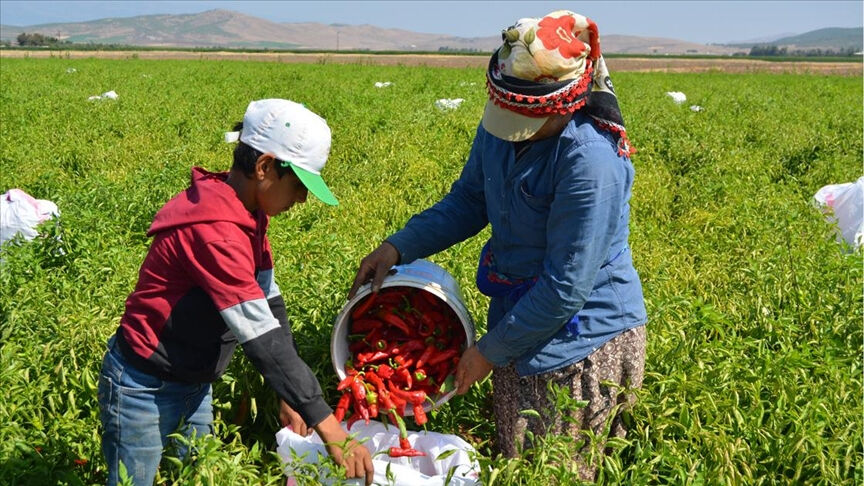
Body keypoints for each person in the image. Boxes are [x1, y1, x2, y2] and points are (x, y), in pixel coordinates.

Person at [349, 11, 647, 480]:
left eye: (529, 117)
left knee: (555, 470)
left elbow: (566, 287)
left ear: (566, 103)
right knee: (520, 461)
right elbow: (469, 200)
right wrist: (397, 247)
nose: (512, 126)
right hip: (518, 319)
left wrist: (488, 352)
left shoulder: (590, 161)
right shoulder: (499, 131)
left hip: (581, 338)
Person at [98, 99, 373, 486]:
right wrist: (329, 426)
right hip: (145, 386)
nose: (301, 199)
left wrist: (292, 394)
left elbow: (269, 304)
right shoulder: (215, 230)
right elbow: (257, 334)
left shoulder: (247, 214)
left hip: (194, 379)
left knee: (199, 475)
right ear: (264, 167)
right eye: (298, 185)